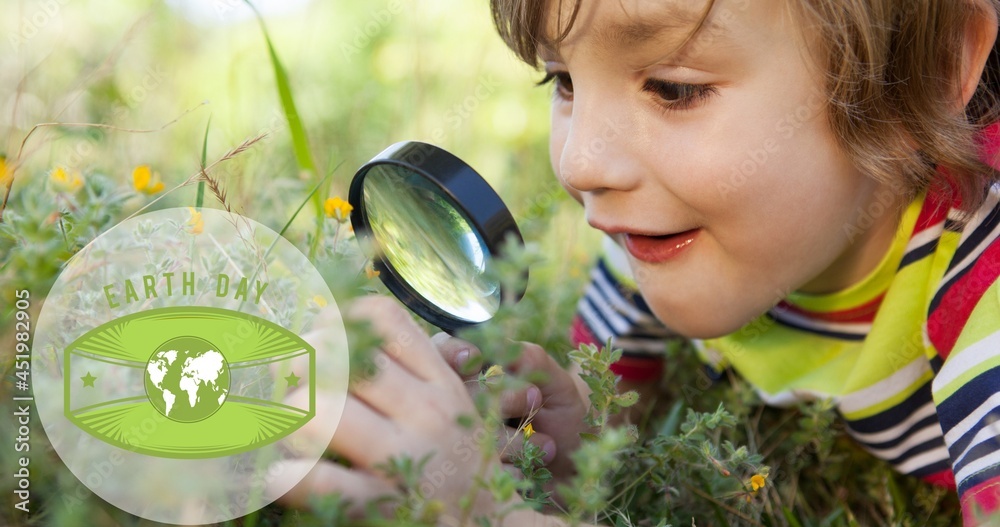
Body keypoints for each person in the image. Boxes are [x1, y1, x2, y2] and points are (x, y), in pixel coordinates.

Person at [275, 0, 1000, 525]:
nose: (584, 162)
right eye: (562, 81)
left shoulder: (984, 279)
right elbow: (612, 440)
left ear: (932, 75)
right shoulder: (659, 235)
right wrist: (573, 459)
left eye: (673, 88)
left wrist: (478, 514)